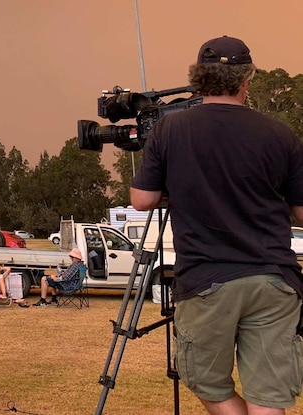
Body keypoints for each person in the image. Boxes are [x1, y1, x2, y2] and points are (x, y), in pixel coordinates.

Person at [130, 35, 303, 415]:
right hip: (273, 278)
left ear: (199, 78)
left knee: (207, 380)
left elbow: (141, 200)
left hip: (207, 279)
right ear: (247, 79)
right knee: (268, 394)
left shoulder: (170, 131)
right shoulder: (280, 134)